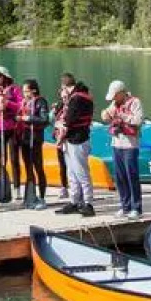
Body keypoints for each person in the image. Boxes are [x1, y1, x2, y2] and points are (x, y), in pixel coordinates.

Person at [102, 79, 145, 219]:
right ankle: (124, 206)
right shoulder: (115, 104)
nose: (113, 99)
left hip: (130, 145)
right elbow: (106, 115)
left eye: (115, 96)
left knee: (131, 176)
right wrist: (106, 115)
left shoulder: (135, 102)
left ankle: (136, 208)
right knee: (120, 177)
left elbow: (138, 120)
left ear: (121, 93)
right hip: (117, 144)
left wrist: (123, 116)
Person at [55, 80, 96, 217]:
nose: (62, 92)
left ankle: (88, 202)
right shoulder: (78, 97)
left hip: (78, 139)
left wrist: (61, 133)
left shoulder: (77, 98)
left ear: (66, 87)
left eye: (62, 89)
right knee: (71, 172)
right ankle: (74, 201)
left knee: (81, 172)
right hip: (71, 139)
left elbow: (69, 120)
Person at [0, 66, 23, 204]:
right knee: (1, 160)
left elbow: (21, 105)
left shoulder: (15, 89)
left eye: (0, 75)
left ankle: (17, 189)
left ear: (5, 77)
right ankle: (2, 188)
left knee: (14, 159)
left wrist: (8, 103)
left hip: (13, 128)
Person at [20, 78, 51, 209]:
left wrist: (29, 118)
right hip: (25, 137)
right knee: (28, 168)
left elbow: (44, 120)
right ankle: (30, 196)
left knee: (38, 167)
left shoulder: (40, 102)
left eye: (26, 91)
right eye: (23, 91)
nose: (24, 93)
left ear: (33, 90)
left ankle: (42, 197)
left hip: (36, 138)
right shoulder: (25, 102)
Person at [55, 72, 76, 200]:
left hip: (70, 138)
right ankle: (64, 187)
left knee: (72, 165)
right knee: (61, 163)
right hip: (59, 137)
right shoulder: (60, 105)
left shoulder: (74, 102)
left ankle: (76, 191)